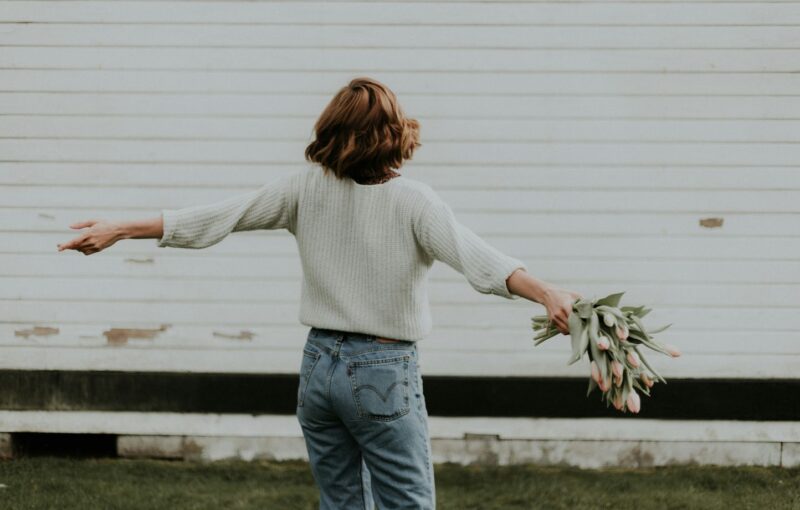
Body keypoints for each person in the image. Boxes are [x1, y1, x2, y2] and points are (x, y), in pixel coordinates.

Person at [57, 77, 581, 509]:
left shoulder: (302, 189)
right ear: (395, 133)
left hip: (317, 369)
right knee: (407, 503)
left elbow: (218, 218)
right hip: (382, 372)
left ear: (331, 131)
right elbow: (481, 260)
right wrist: (547, 292)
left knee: (343, 504)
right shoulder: (415, 202)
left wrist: (121, 228)